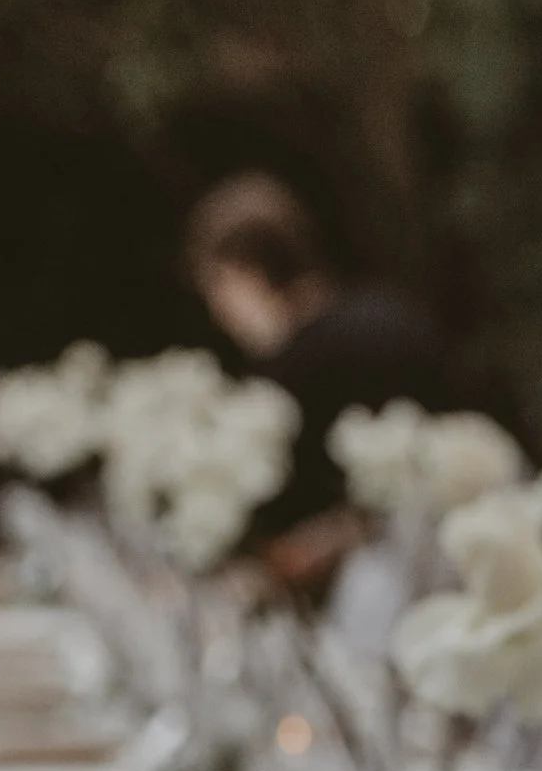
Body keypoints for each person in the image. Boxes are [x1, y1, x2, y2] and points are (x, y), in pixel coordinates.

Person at [184, 172, 451, 575]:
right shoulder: (388, 309)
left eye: (218, 290)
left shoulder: (288, 377)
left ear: (247, 273)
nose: (218, 315)